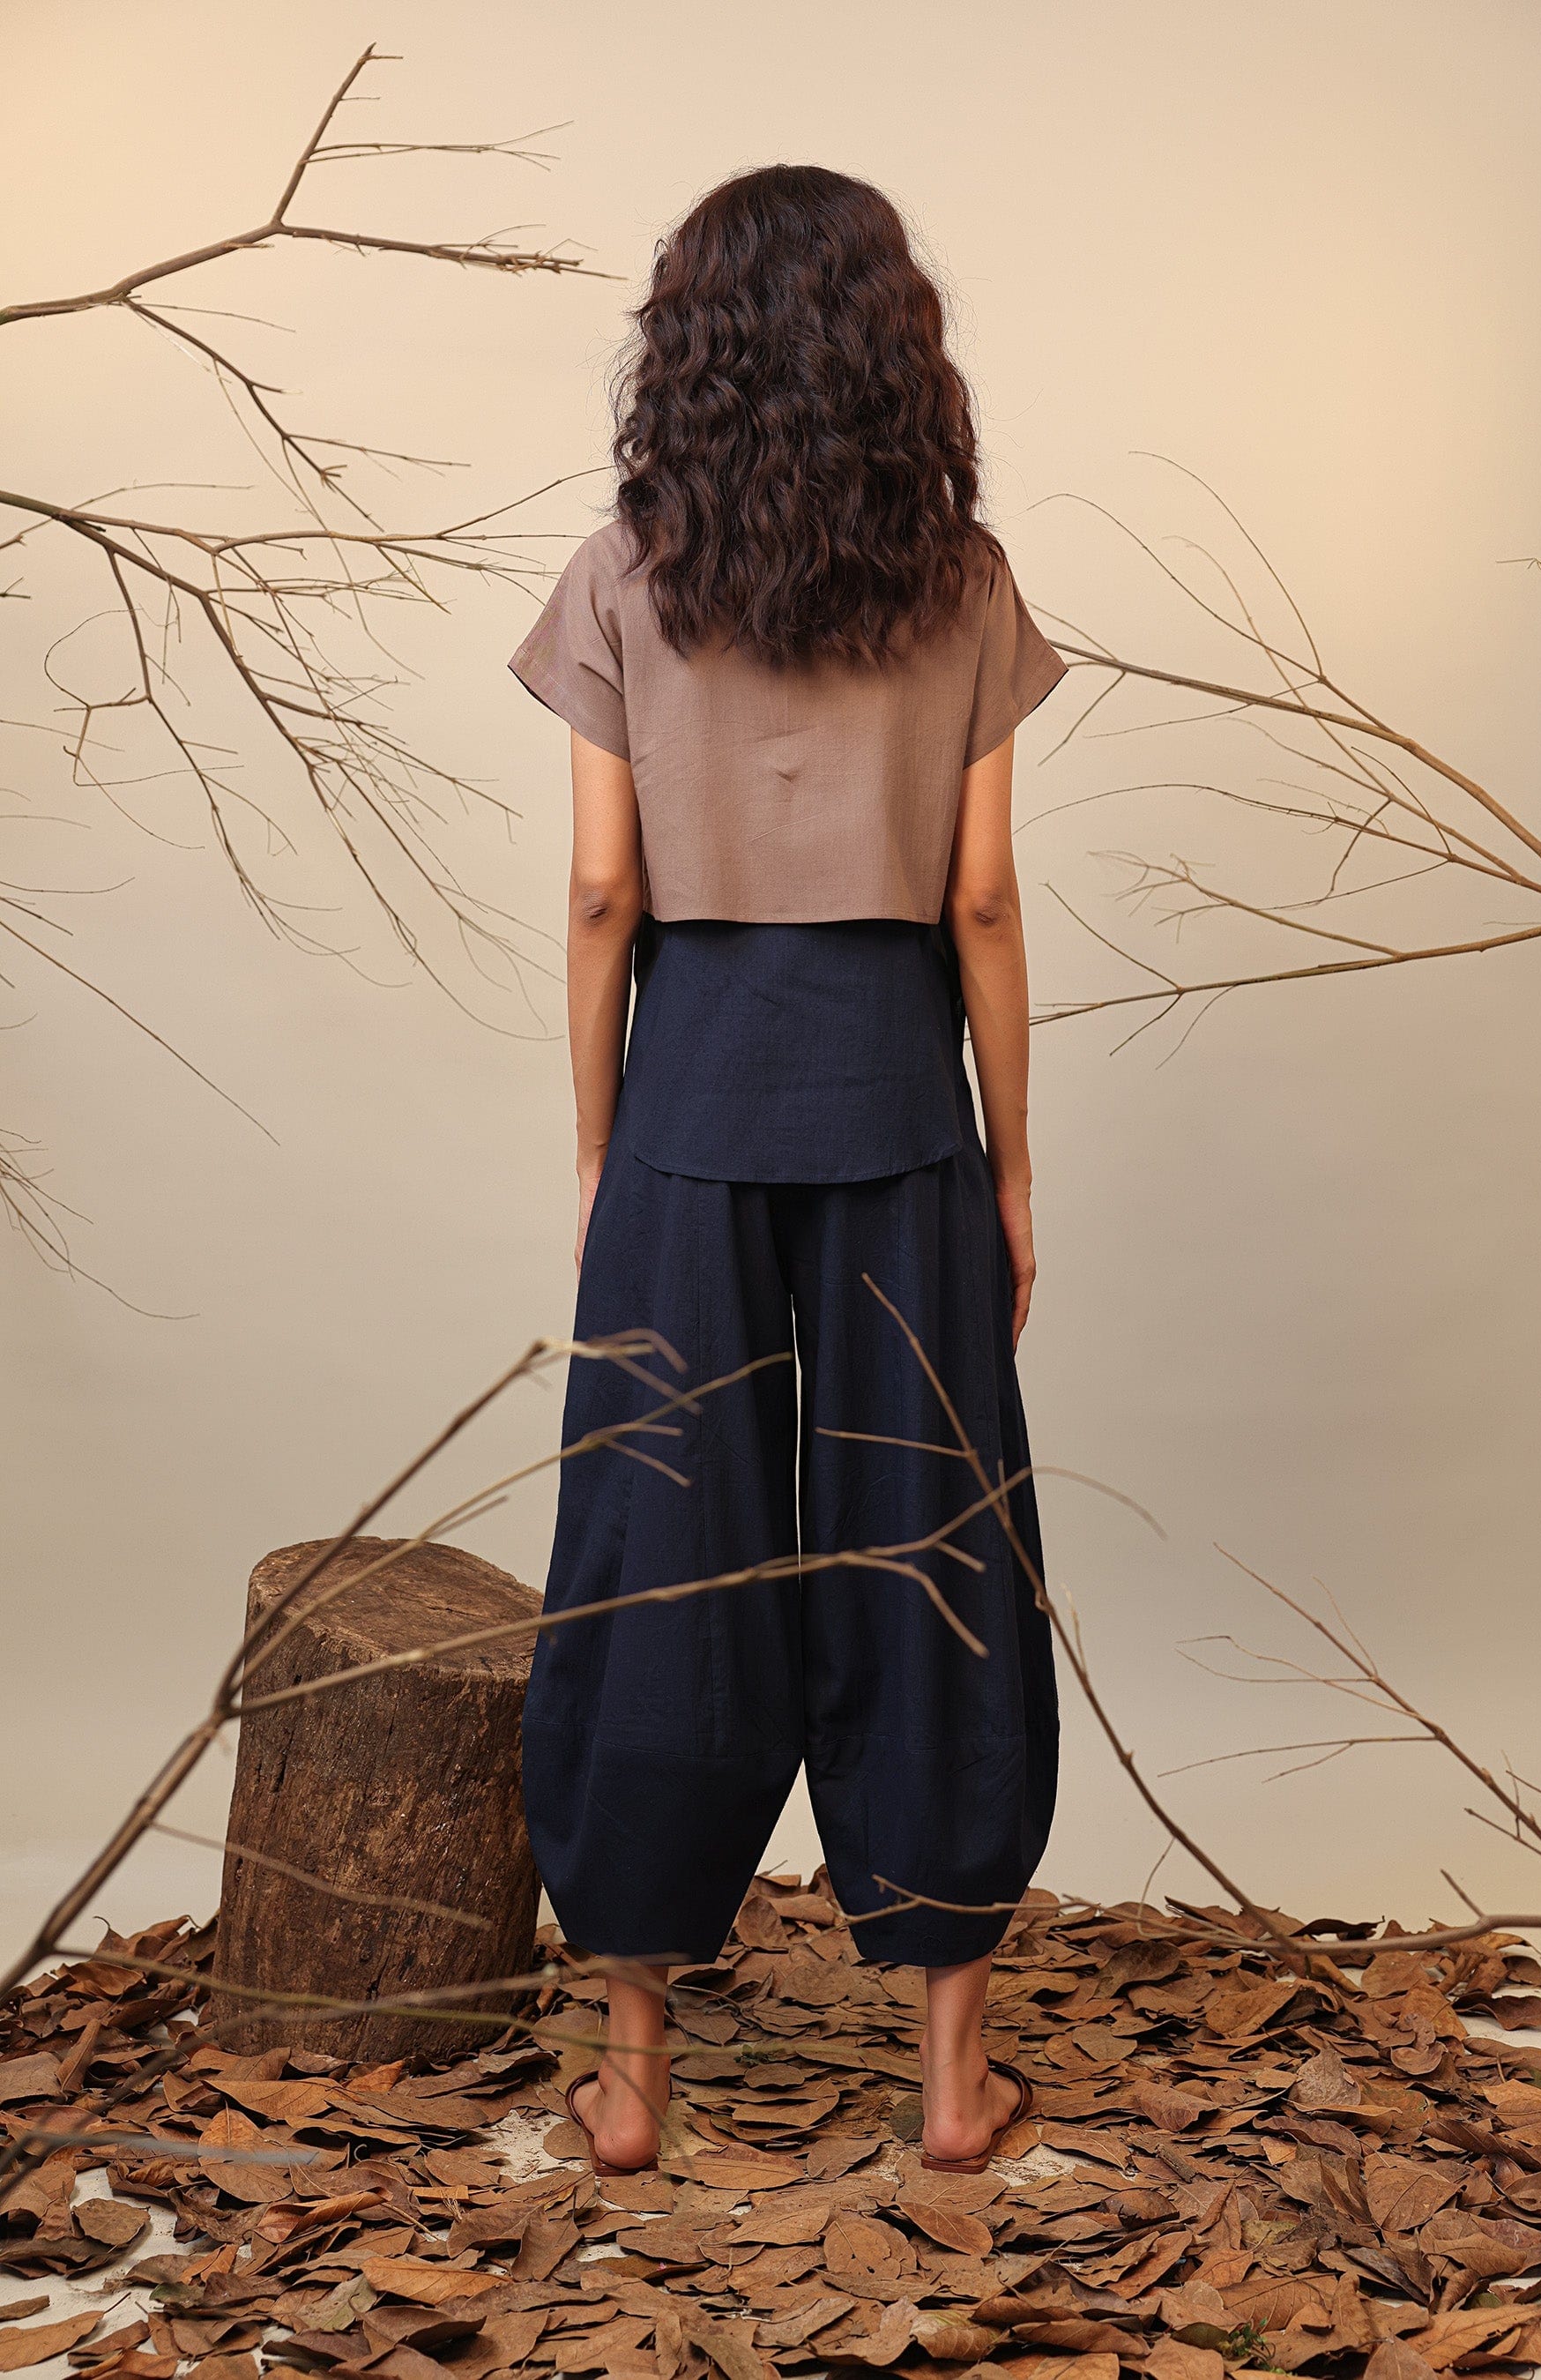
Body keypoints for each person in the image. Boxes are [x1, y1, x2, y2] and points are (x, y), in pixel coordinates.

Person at [507, 163, 1065, 2180]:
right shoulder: (964, 581)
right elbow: (981, 901)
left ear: (689, 348)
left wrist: (602, 1143)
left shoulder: (622, 574)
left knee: (659, 1552)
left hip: (692, 1112)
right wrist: (1011, 1168)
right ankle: (950, 2079)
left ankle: (634, 2073)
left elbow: (602, 894)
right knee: (937, 1551)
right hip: (900, 1108)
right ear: (897, 349)